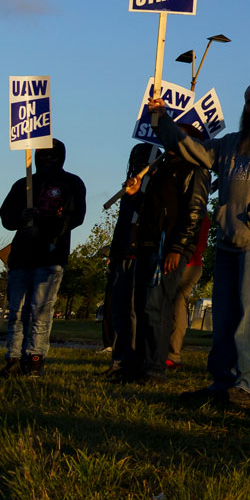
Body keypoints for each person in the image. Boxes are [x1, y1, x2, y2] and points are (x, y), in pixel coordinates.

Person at [149, 80, 250, 411]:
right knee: (223, 315)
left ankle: (249, 385)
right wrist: (160, 118)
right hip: (229, 240)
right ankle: (222, 382)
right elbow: (192, 149)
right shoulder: (234, 142)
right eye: (249, 102)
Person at [0, 140, 86, 379]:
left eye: (52, 157)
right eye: (42, 157)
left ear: (62, 158)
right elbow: (6, 217)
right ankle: (13, 359)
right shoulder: (24, 184)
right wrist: (21, 217)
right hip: (22, 256)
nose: (46, 162)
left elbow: (76, 217)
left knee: (41, 311)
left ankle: (34, 360)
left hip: (50, 255)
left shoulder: (72, 184)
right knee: (17, 311)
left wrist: (46, 231)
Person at [140, 135, 210, 374]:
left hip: (170, 250)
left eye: (174, 135)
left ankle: (156, 365)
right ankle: (144, 362)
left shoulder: (193, 171)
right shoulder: (160, 171)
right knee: (147, 307)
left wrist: (178, 248)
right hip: (151, 245)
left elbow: (194, 213)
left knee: (159, 306)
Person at [106, 144, 157, 382]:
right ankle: (119, 360)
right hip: (121, 255)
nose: (138, 164)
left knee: (134, 313)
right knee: (119, 312)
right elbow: (123, 223)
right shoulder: (129, 187)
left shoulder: (155, 187)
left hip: (140, 256)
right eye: (135, 160)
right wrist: (114, 252)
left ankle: (134, 362)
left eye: (143, 160)